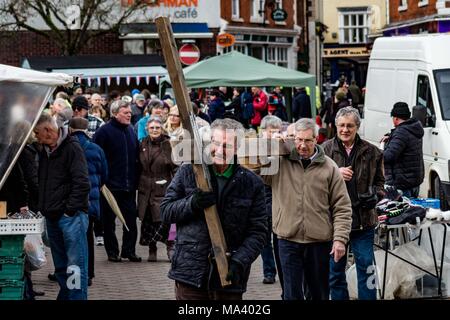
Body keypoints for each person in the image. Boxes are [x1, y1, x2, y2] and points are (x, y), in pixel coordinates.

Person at [160, 118, 267, 300]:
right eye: (215, 143)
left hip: (229, 276)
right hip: (191, 272)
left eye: (226, 145)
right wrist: (192, 203)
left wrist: (240, 261)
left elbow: (259, 231)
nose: (219, 150)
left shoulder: (252, 183)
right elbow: (166, 211)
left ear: (237, 148)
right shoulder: (189, 172)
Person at [262, 118, 352, 300]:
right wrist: (271, 145)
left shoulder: (329, 167)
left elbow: (342, 207)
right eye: (298, 139)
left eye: (308, 140)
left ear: (316, 139)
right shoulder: (280, 163)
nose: (302, 145)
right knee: (291, 295)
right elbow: (254, 169)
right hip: (287, 240)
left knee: (318, 294)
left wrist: (340, 239)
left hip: (318, 242)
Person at [323, 107, 384, 300]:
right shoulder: (324, 151)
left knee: (367, 268)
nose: (345, 129)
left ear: (357, 126)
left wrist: (374, 195)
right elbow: (313, 183)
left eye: (350, 125)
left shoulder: (372, 151)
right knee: (335, 272)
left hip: (363, 221)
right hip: (334, 222)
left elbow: (381, 183)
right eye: (341, 125)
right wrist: (335, 173)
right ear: (336, 126)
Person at [33, 113, 90, 300]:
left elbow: (82, 182)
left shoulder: (72, 148)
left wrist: (69, 210)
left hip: (70, 217)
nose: (35, 136)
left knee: (75, 265)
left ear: (48, 131)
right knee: (61, 266)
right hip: (53, 216)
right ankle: (66, 296)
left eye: (37, 132)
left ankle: (75, 298)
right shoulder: (44, 150)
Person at [93, 100, 142, 263]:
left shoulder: (130, 131)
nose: (129, 115)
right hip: (109, 186)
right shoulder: (103, 132)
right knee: (109, 223)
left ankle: (129, 250)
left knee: (131, 221)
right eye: (125, 112)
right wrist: (101, 181)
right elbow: (96, 157)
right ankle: (112, 252)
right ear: (115, 113)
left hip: (128, 186)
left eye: (130, 113)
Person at [69, 117, 108, 287]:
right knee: (88, 237)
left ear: (70, 129)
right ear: (87, 130)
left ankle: (72, 274)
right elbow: (105, 175)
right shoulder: (97, 149)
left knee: (71, 240)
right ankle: (89, 273)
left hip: (71, 200)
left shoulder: (66, 148)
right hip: (91, 201)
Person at [138, 117, 177, 262]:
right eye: (152, 127)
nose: (154, 130)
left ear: (162, 129)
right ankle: (151, 248)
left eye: (157, 127)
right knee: (148, 220)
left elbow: (176, 167)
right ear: (147, 129)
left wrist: (175, 185)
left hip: (163, 186)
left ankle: (171, 246)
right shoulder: (142, 143)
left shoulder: (168, 145)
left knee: (168, 220)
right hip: (146, 188)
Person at [258, 116, 284, 291]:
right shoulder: (257, 147)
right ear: (263, 131)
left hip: (277, 194)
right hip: (261, 194)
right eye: (271, 131)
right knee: (264, 238)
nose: (274, 134)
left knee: (279, 237)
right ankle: (269, 271)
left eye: (277, 131)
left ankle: (281, 270)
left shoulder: (282, 146)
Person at [382, 102, 424, 198]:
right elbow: (406, 143)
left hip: (403, 185)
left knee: (402, 212)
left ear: (396, 118)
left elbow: (389, 156)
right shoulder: (413, 128)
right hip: (413, 182)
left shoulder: (401, 133)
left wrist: (376, 152)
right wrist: (391, 137)